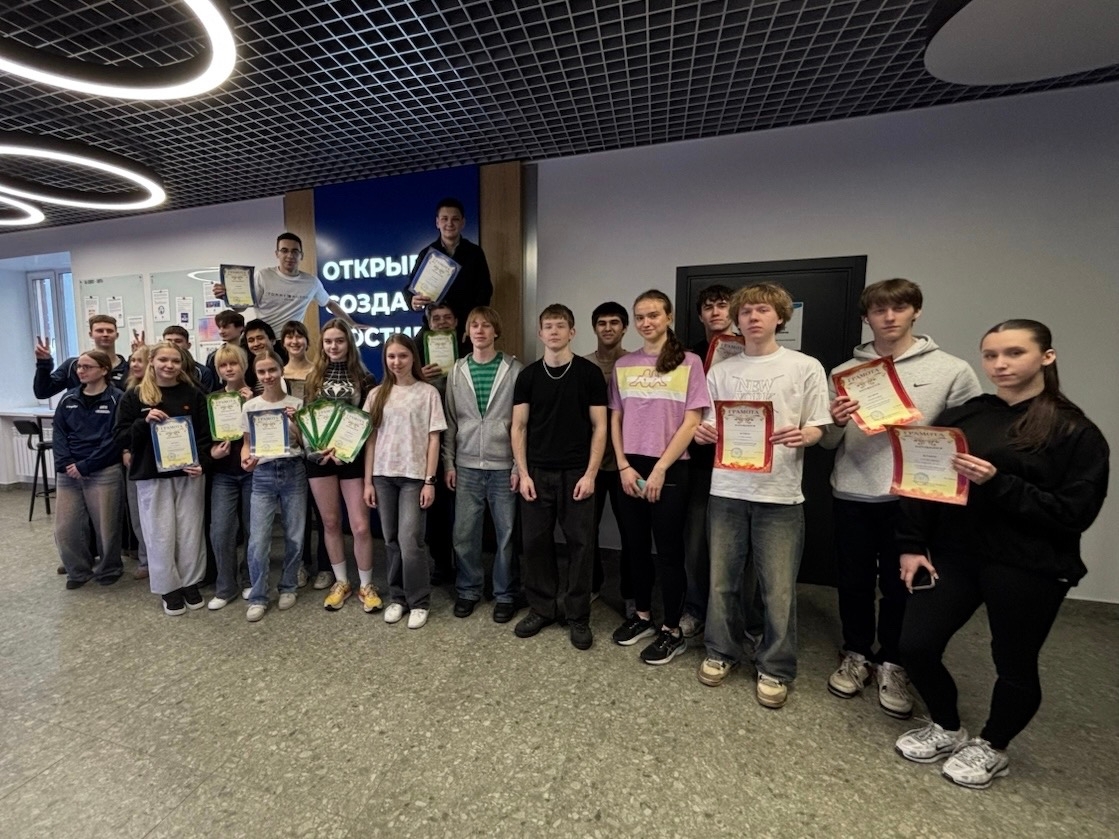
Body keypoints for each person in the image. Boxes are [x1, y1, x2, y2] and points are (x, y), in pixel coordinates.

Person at [892, 319, 1108, 790]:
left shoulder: (1074, 430)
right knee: (915, 646)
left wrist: (998, 482)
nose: (1000, 364)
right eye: (990, 355)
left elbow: (1075, 513)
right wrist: (910, 545)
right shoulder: (968, 415)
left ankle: (993, 745)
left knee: (1014, 662)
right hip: (955, 553)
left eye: (1014, 353)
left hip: (1028, 563)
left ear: (1046, 357)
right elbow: (926, 483)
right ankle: (947, 725)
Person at [819, 278, 982, 718]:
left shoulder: (952, 370)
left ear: (916, 311)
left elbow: (970, 434)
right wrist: (836, 421)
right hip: (853, 489)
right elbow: (829, 442)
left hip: (915, 497)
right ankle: (856, 653)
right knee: (852, 580)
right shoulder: (844, 373)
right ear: (866, 318)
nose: (889, 317)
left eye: (899, 308)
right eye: (879, 310)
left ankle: (893, 662)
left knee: (901, 585)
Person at [694, 283, 829, 709]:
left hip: (780, 494)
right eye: (746, 311)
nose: (753, 317)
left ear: (780, 317)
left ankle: (775, 666)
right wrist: (702, 434)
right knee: (722, 582)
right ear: (737, 319)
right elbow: (708, 424)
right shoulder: (721, 371)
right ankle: (721, 651)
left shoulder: (805, 366)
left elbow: (819, 425)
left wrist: (806, 435)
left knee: (779, 590)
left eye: (763, 311)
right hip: (726, 490)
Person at [608, 291, 709, 665]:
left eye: (653, 315)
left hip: (671, 466)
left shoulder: (689, 362)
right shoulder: (624, 364)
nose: (646, 322)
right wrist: (622, 465)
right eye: (640, 317)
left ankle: (672, 630)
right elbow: (615, 417)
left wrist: (661, 468)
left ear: (669, 317)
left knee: (668, 552)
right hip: (631, 466)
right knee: (634, 546)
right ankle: (643, 616)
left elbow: (692, 421)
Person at [511, 304, 607, 650]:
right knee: (535, 543)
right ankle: (542, 608)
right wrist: (523, 473)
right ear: (540, 334)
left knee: (581, 545)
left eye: (560, 326)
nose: (554, 332)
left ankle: (578, 615)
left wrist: (591, 474)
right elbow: (518, 427)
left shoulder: (589, 374)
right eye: (548, 326)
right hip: (537, 473)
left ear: (572, 332)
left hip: (577, 473)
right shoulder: (528, 376)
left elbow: (600, 427)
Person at [113, 341, 212, 616]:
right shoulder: (135, 397)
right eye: (163, 360)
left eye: (175, 361)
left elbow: (206, 436)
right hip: (152, 475)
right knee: (160, 533)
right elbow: (120, 438)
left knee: (190, 532)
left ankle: (190, 582)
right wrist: (143, 423)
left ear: (182, 364)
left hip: (188, 474)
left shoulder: (193, 394)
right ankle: (168, 587)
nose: (169, 365)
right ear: (152, 362)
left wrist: (202, 463)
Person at [443, 306, 524, 623]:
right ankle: (468, 589)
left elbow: (522, 424)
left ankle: (505, 593)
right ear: (467, 332)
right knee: (464, 534)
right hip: (466, 467)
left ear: (496, 331)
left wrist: (518, 467)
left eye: (486, 325)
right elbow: (451, 422)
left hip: (503, 466)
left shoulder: (514, 369)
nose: (480, 330)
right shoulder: (456, 370)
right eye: (474, 325)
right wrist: (449, 463)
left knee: (506, 535)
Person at [363, 335, 446, 629]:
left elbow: (434, 439)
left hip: (414, 477)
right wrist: (368, 482)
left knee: (411, 541)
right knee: (391, 540)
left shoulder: (428, 393)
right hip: (383, 476)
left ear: (413, 358)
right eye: (391, 357)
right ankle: (398, 598)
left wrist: (430, 481)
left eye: (402, 356)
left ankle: (419, 601)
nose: (396, 362)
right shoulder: (376, 394)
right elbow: (370, 440)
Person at [304, 318, 380, 612]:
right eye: (328, 341)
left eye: (339, 340)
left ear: (349, 342)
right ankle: (341, 582)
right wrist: (317, 450)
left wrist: (348, 450)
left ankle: (366, 585)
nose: (333, 346)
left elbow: (368, 424)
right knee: (331, 522)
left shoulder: (365, 378)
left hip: (352, 458)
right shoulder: (313, 378)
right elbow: (308, 419)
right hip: (320, 459)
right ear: (322, 345)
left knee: (360, 526)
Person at [680, 284, 738, 639]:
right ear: (700, 314)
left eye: (723, 305)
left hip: (743, 463)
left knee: (737, 546)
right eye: (709, 307)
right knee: (695, 543)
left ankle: (736, 617)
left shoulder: (750, 351)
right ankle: (696, 609)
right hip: (698, 462)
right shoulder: (689, 356)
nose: (716, 312)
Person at [240, 350, 308, 622]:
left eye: (272, 370)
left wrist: (296, 422)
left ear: (281, 371)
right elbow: (247, 443)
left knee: (295, 535)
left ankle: (288, 585)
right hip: (263, 474)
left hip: (293, 470)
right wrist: (245, 459)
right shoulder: (250, 407)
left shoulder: (297, 403)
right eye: (262, 371)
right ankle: (258, 595)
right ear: (256, 375)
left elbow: (305, 443)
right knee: (258, 539)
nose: (268, 376)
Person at [52, 350, 125, 588]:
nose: (80, 371)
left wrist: (87, 465)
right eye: (79, 367)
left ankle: (109, 568)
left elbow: (115, 438)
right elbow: (59, 433)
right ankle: (78, 571)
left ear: (104, 370)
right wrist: (66, 462)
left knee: (106, 526)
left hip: (103, 470)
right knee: (66, 527)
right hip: (68, 472)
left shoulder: (117, 399)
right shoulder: (68, 398)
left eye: (87, 367)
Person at [583, 301, 633, 612]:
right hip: (591, 462)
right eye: (602, 323)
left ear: (624, 327)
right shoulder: (583, 365)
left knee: (631, 531)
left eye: (614, 322)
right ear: (594, 328)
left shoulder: (635, 364)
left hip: (626, 462)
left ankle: (631, 594)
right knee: (586, 529)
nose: (608, 328)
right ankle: (591, 584)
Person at [212, 232, 358, 334]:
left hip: (291, 341)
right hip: (264, 340)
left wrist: (352, 323)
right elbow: (241, 308)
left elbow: (329, 303)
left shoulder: (311, 282)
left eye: (295, 251)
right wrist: (228, 297)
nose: (290, 255)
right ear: (277, 254)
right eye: (284, 250)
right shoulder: (263, 276)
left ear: (301, 255)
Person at [405, 197, 493, 349]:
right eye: (444, 219)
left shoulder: (474, 253)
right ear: (437, 222)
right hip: (433, 326)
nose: (449, 224)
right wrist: (412, 300)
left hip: (463, 327)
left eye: (455, 219)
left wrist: (472, 325)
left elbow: (485, 292)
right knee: (413, 354)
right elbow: (410, 288)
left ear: (463, 223)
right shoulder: (427, 254)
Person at [206, 344, 255, 611]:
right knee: (221, 530)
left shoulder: (257, 397)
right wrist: (212, 452)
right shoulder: (213, 400)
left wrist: (251, 405)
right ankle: (225, 586)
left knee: (252, 529)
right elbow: (204, 438)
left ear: (243, 365)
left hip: (251, 472)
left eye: (233, 363)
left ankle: (249, 578)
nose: (228, 369)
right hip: (223, 474)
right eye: (223, 365)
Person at [34, 314, 128, 397]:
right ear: (91, 334)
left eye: (109, 331)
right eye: (100, 331)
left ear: (117, 335)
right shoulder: (72, 366)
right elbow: (42, 392)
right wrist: (43, 364)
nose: (105, 334)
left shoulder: (128, 368)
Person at [122, 345, 151, 580]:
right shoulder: (130, 394)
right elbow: (121, 428)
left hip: (162, 461)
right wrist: (124, 450)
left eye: (140, 360)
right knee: (137, 513)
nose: (134, 365)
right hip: (136, 459)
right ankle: (145, 559)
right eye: (132, 360)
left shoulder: (163, 392)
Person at [162, 325, 217, 392]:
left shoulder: (202, 372)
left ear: (188, 345)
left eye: (178, 341)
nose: (173, 344)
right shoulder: (157, 369)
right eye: (168, 341)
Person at [241, 319, 288, 395]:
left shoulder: (286, 364)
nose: (256, 344)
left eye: (260, 338)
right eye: (251, 340)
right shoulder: (246, 369)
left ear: (273, 340)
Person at [204, 310, 246, 386]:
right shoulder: (214, 356)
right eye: (219, 327)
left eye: (226, 327)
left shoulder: (249, 352)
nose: (221, 331)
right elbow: (213, 385)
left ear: (240, 327)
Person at [280, 320, 314, 400]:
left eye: (299, 337)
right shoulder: (279, 374)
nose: (295, 341)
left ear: (307, 341)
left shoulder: (318, 371)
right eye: (290, 337)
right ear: (283, 343)